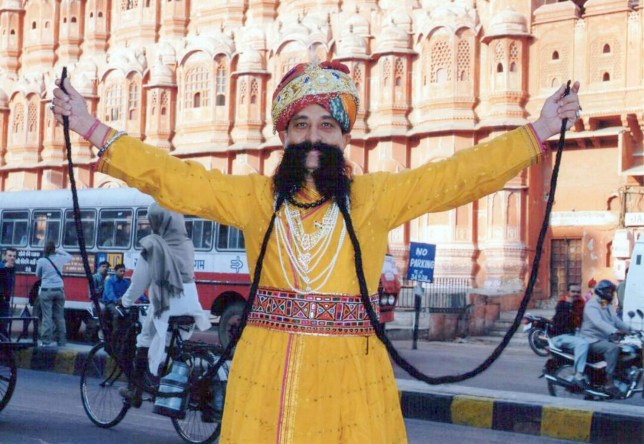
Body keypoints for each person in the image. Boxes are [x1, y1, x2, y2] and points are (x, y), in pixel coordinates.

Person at [52, 62, 581, 442]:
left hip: (350, 376)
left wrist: (538, 131)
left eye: (326, 125)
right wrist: (92, 128)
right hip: (266, 372)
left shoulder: (375, 198)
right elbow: (178, 180)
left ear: (344, 136)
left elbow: (456, 177)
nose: (313, 137)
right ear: (285, 136)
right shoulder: (258, 198)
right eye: (301, 126)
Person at [117, 203, 210, 407]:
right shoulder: (186, 243)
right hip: (191, 304)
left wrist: (125, 301)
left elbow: (139, 282)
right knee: (172, 344)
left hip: (167, 305)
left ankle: (136, 391)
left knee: (144, 339)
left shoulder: (153, 246)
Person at [580, 279, 634, 397]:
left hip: (603, 338)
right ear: (601, 291)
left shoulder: (605, 303)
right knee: (612, 349)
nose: (610, 294)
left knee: (627, 349)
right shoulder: (592, 305)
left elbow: (615, 320)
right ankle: (609, 382)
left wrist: (631, 329)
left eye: (611, 291)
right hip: (591, 339)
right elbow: (598, 322)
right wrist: (615, 331)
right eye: (608, 291)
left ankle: (619, 375)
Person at [549, 284, 590, 388]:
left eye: (578, 292)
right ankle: (578, 374)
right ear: (568, 292)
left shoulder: (581, 305)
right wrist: (569, 306)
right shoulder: (562, 304)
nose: (575, 294)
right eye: (573, 292)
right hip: (560, 336)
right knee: (583, 344)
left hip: (572, 335)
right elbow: (560, 322)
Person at [35, 241, 72, 347]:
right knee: (60, 317)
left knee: (47, 316)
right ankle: (61, 341)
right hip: (59, 290)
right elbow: (70, 256)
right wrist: (59, 251)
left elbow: (37, 274)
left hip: (47, 291)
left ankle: (46, 341)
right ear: (54, 249)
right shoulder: (60, 258)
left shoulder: (42, 260)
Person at [102, 263, 130, 333]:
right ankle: (115, 333)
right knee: (118, 313)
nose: (123, 273)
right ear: (115, 271)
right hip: (110, 303)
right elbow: (109, 293)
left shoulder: (125, 282)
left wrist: (144, 298)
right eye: (121, 271)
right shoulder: (110, 281)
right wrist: (116, 300)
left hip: (121, 303)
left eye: (124, 271)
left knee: (131, 313)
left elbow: (132, 291)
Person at [0, 248, 17, 338]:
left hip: (5, 301)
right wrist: (4, 267)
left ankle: (6, 346)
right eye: (10, 255)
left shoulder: (12, 269)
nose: (12, 258)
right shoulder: (2, 266)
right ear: (4, 256)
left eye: (14, 256)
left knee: (4, 324)